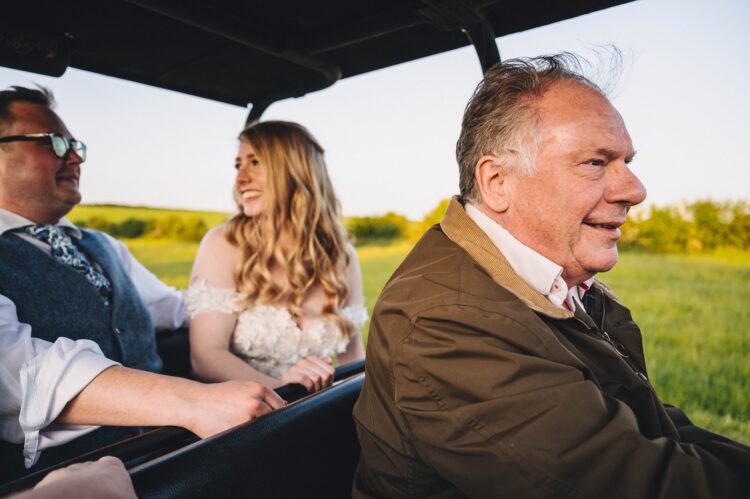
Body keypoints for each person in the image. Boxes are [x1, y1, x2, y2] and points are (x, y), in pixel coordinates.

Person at [352, 53, 750, 498]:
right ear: (497, 181)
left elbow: (652, 423)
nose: (635, 190)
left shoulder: (553, 281)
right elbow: (629, 484)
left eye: (626, 162)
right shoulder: (446, 322)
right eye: (595, 163)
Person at [0, 85, 284, 482]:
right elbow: (21, 371)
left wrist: (279, 307)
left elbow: (175, 308)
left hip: (167, 458)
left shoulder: (104, 245)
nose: (76, 155)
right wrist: (193, 402)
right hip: (70, 482)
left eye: (76, 143)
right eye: (55, 141)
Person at [186, 121, 366, 393]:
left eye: (255, 162)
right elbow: (206, 356)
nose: (240, 178)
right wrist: (280, 392)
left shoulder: (342, 257)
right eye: (238, 166)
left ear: (295, 169)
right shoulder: (223, 243)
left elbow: (352, 361)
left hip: (320, 409)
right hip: (250, 415)